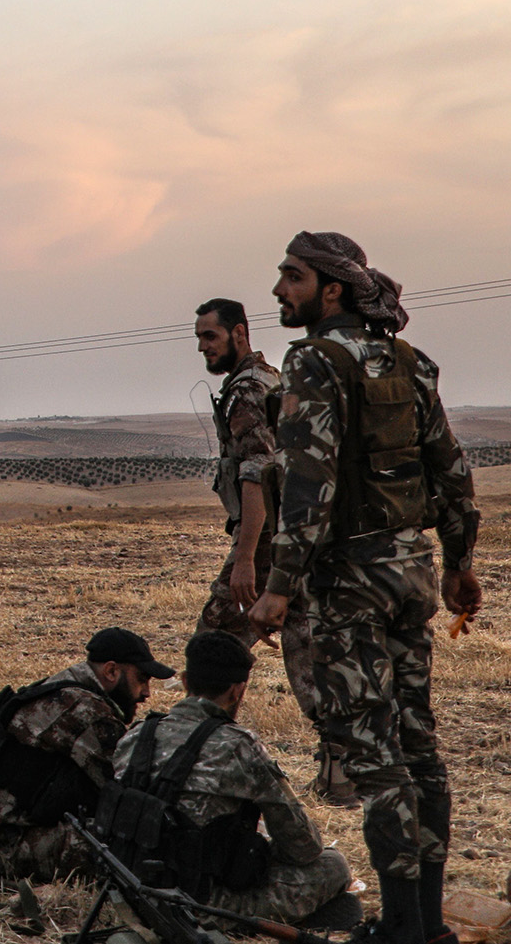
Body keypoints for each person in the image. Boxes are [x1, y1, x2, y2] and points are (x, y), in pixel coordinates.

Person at [250, 232, 481, 944]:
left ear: (333, 289)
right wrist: (457, 560)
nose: (279, 289)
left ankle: (403, 931)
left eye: (292, 276)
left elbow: (309, 486)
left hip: (349, 582)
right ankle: (425, 923)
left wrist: (279, 584)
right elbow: (451, 469)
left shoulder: (315, 361)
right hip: (410, 573)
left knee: (377, 761)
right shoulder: (410, 361)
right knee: (420, 748)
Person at [192, 298, 342, 801]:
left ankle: (197, 754)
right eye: (199, 338)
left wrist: (243, 558)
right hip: (295, 539)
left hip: (265, 542)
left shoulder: (244, 392)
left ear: (238, 333)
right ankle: (340, 769)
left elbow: (256, 473)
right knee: (304, 648)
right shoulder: (273, 378)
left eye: (209, 337)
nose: (202, 348)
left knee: (213, 646)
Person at [103, 632, 353, 924]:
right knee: (333, 865)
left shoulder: (136, 735)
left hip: (127, 889)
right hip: (200, 904)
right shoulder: (238, 745)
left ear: (185, 681)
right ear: (237, 691)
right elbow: (304, 847)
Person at [0, 627, 166, 881]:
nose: (146, 693)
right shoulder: (80, 709)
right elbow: (130, 785)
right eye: (142, 679)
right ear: (111, 671)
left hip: (3, 840)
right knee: (148, 847)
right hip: (13, 849)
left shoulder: (59, 690)